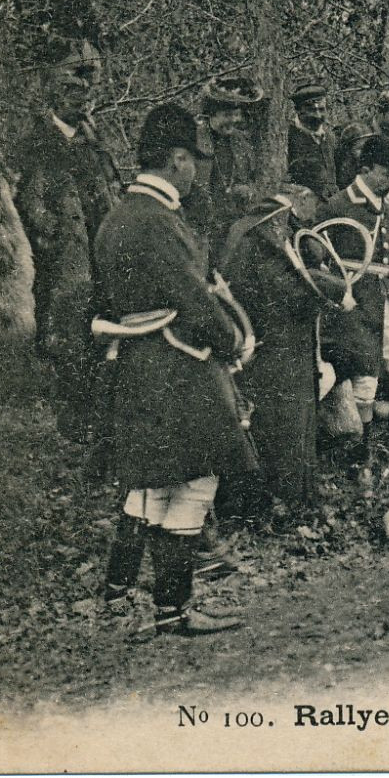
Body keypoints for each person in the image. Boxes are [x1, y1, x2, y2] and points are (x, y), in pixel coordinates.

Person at [92, 103, 256, 637]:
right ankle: (172, 609)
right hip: (178, 362)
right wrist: (232, 342)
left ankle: (152, 605)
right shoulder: (157, 220)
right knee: (196, 478)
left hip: (144, 363)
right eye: (194, 161)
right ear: (177, 159)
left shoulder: (120, 216)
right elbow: (193, 299)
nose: (196, 173)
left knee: (163, 482)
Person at [14, 41, 123, 457]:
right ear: (55, 96)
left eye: (85, 93)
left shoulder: (95, 143)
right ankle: (72, 425)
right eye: (72, 93)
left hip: (99, 253)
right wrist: (52, 238)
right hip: (60, 261)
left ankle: (98, 421)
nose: (81, 100)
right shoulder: (37, 142)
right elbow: (29, 203)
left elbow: (110, 191)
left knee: (100, 332)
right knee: (67, 338)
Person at [221, 184, 348, 519]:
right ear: (301, 199)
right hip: (278, 349)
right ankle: (284, 505)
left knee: (281, 425)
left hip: (271, 345)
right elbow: (288, 289)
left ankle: (284, 502)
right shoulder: (267, 233)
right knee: (284, 427)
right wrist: (334, 289)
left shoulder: (251, 229)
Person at [319, 134, 389, 430]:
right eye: (385, 173)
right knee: (364, 374)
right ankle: (363, 445)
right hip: (357, 303)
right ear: (365, 169)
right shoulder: (337, 206)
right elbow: (319, 261)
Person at [184, 76, 264, 248]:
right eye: (227, 115)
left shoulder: (242, 142)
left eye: (236, 114)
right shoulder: (193, 140)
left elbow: (252, 177)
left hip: (234, 226)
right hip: (200, 227)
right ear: (212, 114)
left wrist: (246, 188)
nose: (234, 120)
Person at [287, 83, 339, 200]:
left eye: (321, 109)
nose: (318, 115)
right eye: (311, 110)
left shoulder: (329, 137)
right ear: (298, 111)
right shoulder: (288, 136)